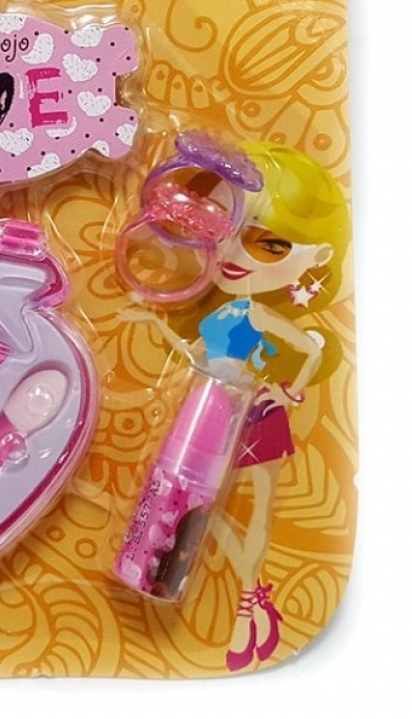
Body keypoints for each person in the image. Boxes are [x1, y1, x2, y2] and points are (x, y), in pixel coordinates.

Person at [125, 141, 349, 671]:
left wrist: (291, 389)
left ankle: (251, 601)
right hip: (205, 428)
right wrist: (151, 321)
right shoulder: (220, 312)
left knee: (255, 513)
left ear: (318, 257)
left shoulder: (256, 313)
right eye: (226, 227)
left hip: (252, 417)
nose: (235, 252)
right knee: (207, 518)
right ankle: (234, 591)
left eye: (268, 244)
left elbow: (309, 347)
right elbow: (195, 353)